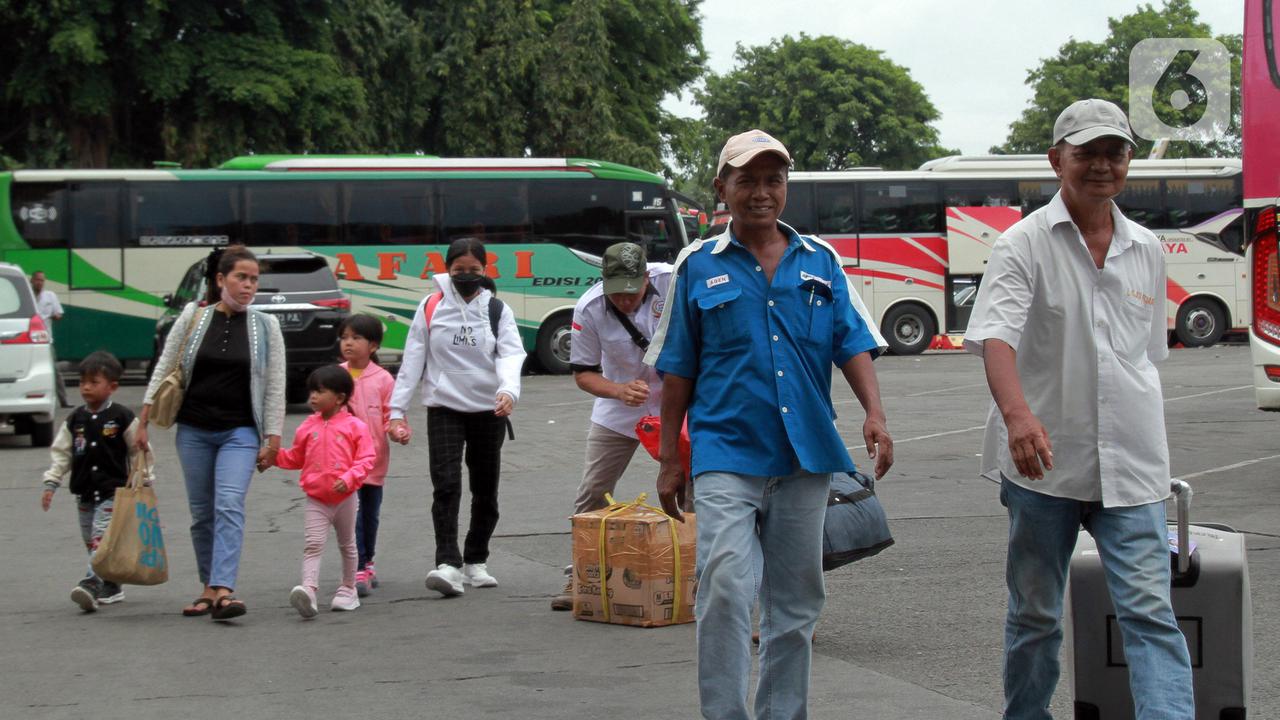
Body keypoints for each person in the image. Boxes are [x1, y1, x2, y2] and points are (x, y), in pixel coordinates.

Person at [646, 129, 894, 719]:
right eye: (747, 180)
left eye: (773, 180)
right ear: (721, 189)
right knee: (727, 588)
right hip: (726, 454)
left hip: (805, 456)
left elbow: (852, 340)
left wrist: (875, 413)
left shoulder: (821, 261)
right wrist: (669, 460)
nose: (761, 192)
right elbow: (677, 366)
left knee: (797, 601)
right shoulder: (697, 265)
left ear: (786, 187)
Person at [963, 99, 1194, 720]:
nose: (1101, 166)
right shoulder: (1022, 245)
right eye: (1086, 152)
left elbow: (1144, 358)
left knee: (1151, 614)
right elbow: (997, 339)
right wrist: (1017, 416)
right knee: (1035, 616)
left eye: (1114, 152)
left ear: (1128, 162)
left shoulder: (1145, 247)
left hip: (1134, 468)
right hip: (1045, 466)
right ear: (1056, 160)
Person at [138, 245, 286, 621]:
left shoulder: (266, 326)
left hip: (239, 432)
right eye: (241, 277)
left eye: (254, 279)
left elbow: (275, 387)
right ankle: (207, 588)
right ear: (220, 279)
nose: (248, 286)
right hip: (194, 430)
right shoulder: (192, 317)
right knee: (202, 513)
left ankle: (224, 589)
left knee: (228, 504)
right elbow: (165, 366)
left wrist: (273, 439)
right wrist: (142, 419)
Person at [388, 238, 525, 597]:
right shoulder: (431, 307)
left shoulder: (497, 310)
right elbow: (412, 360)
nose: (466, 277)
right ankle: (447, 564)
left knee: (485, 491)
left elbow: (511, 353)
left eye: (474, 271)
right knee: (446, 485)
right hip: (444, 408)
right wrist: (396, 412)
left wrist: (508, 391)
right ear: (448, 269)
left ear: (484, 272)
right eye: (459, 271)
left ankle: (475, 560)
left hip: (488, 410)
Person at [549, 241, 674, 612]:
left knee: (692, 487)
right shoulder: (589, 307)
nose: (624, 300)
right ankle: (580, 574)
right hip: (619, 409)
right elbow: (583, 374)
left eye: (631, 292)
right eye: (615, 293)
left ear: (646, 278)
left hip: (678, 403)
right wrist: (618, 391)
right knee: (593, 492)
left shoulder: (673, 282)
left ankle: (693, 574)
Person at [40, 351, 150, 612]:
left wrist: (144, 479)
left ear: (112, 387)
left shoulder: (121, 417)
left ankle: (90, 584)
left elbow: (139, 451)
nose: (86, 387)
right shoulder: (75, 419)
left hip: (113, 492)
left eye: (93, 382)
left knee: (101, 540)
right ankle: (111, 585)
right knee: (92, 541)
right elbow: (62, 453)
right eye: (82, 382)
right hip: (84, 493)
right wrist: (51, 482)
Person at [277, 365, 377, 618]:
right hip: (316, 499)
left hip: (346, 498)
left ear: (340, 397)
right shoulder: (306, 427)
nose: (312, 397)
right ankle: (309, 590)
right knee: (313, 544)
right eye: (311, 391)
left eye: (319, 392)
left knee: (347, 544)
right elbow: (295, 458)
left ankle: (348, 588)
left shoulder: (355, 426)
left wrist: (349, 478)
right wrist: (272, 457)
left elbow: (366, 459)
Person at [337, 314, 396, 597]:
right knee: (353, 516)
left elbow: (391, 414)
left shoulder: (383, 379)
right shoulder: (336, 376)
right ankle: (357, 567)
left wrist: (398, 429)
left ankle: (368, 560)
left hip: (374, 462)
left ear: (372, 345)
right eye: (344, 338)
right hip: (343, 463)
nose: (348, 343)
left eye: (355, 338)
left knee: (370, 516)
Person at [30, 270, 69, 408]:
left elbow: (59, 314)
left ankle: (64, 401)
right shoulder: (27, 295)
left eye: (42, 280)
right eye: (37, 280)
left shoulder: (49, 296)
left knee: (55, 370)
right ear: (32, 280)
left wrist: (52, 316)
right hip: (28, 340)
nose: (40, 283)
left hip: (46, 340)